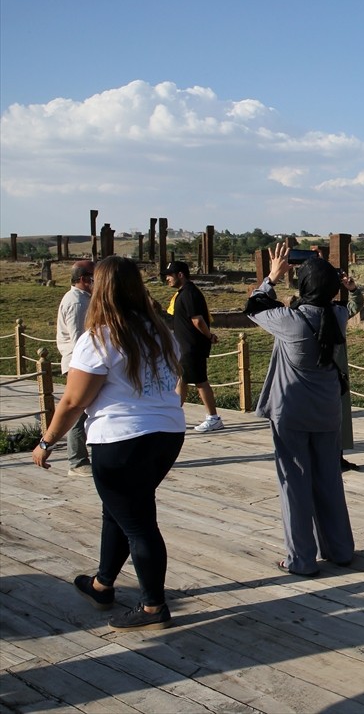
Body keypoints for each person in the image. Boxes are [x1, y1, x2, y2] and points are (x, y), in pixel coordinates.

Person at [33, 256, 186, 631]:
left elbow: (73, 401)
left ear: (99, 289)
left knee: (138, 523)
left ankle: (153, 607)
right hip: (166, 434)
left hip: (121, 441)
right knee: (120, 509)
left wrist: (46, 440)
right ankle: (103, 584)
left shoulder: (99, 339)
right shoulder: (161, 333)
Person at [246, 244, 355, 576]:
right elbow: (348, 304)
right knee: (328, 481)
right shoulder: (337, 316)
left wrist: (273, 276)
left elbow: (253, 307)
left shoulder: (291, 322)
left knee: (294, 483)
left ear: (303, 285)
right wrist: (349, 289)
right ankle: (340, 550)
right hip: (326, 412)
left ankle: (301, 559)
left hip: (291, 413)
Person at [164, 260, 222, 433]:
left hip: (192, 346)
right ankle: (174, 414)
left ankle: (213, 418)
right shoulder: (182, 293)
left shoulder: (189, 293)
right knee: (182, 380)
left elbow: (197, 320)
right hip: (184, 346)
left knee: (200, 381)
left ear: (180, 275)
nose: (167, 279)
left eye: (169, 275)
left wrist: (209, 336)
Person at [55, 259, 95, 476]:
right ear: (83, 279)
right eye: (92, 276)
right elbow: (81, 339)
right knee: (78, 411)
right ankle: (77, 461)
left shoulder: (83, 299)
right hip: (79, 364)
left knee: (86, 411)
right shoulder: (77, 303)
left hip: (82, 363)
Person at [337, 271, 364, 471]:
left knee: (339, 414)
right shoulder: (299, 311)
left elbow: (355, 306)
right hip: (312, 372)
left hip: (335, 372)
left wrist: (353, 290)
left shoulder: (336, 311)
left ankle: (337, 456)